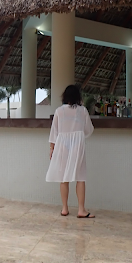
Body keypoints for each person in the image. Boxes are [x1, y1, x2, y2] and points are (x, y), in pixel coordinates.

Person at [46, 85, 95, 218]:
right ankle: (81, 210)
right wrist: (79, 134)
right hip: (77, 144)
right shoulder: (82, 110)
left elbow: (54, 131)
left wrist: (52, 148)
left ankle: (64, 208)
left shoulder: (59, 111)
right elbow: (89, 130)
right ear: (78, 97)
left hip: (62, 144)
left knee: (63, 177)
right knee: (80, 177)